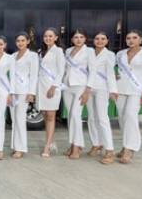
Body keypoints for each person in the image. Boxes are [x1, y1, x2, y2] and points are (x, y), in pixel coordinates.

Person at [115, 30, 142, 164]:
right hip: (120, 88)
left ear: (141, 39)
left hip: (136, 90)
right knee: (122, 118)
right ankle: (125, 145)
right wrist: (113, 75)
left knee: (131, 116)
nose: (131, 40)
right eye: (128, 38)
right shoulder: (120, 54)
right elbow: (112, 68)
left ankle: (130, 149)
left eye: (134, 37)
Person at [87, 31, 119, 164]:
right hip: (88, 88)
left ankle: (110, 150)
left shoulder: (110, 55)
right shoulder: (89, 52)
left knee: (102, 118)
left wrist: (113, 90)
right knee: (91, 117)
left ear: (107, 41)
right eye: (97, 38)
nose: (99, 41)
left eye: (103, 39)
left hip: (102, 88)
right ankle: (96, 144)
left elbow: (110, 73)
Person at [62, 29, 95, 160]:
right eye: (76, 37)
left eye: (81, 37)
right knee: (71, 117)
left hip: (81, 86)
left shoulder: (89, 51)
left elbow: (93, 71)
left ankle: (76, 147)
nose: (79, 39)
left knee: (76, 116)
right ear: (72, 39)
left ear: (85, 39)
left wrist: (88, 90)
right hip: (67, 86)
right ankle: (74, 144)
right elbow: (66, 69)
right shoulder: (68, 51)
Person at [9, 32, 39, 159]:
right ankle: (15, 146)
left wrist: (31, 92)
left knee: (20, 120)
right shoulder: (13, 56)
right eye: (18, 41)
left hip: (24, 92)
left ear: (28, 41)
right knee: (14, 120)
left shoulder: (32, 56)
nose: (20, 43)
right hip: (13, 92)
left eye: (22, 40)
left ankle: (21, 148)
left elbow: (34, 75)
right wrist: (10, 92)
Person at [37, 28, 65, 158]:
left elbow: (61, 70)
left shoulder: (58, 51)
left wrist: (54, 87)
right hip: (41, 87)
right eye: (45, 36)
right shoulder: (41, 51)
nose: (47, 38)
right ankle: (52, 141)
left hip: (52, 87)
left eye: (50, 36)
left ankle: (47, 146)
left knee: (51, 115)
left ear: (56, 38)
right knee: (45, 114)